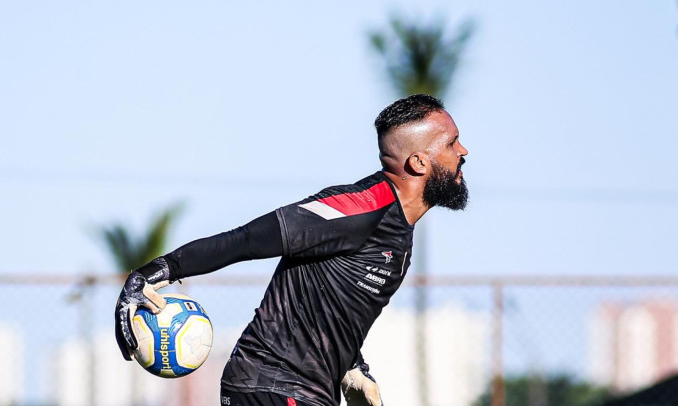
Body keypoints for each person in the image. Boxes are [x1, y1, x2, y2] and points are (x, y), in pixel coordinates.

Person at [115, 94, 469, 406]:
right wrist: (153, 272)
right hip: (270, 384)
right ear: (419, 162)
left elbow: (329, 301)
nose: (463, 152)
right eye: (452, 144)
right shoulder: (359, 207)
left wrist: (351, 366)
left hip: (301, 391)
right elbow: (246, 239)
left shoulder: (399, 231)